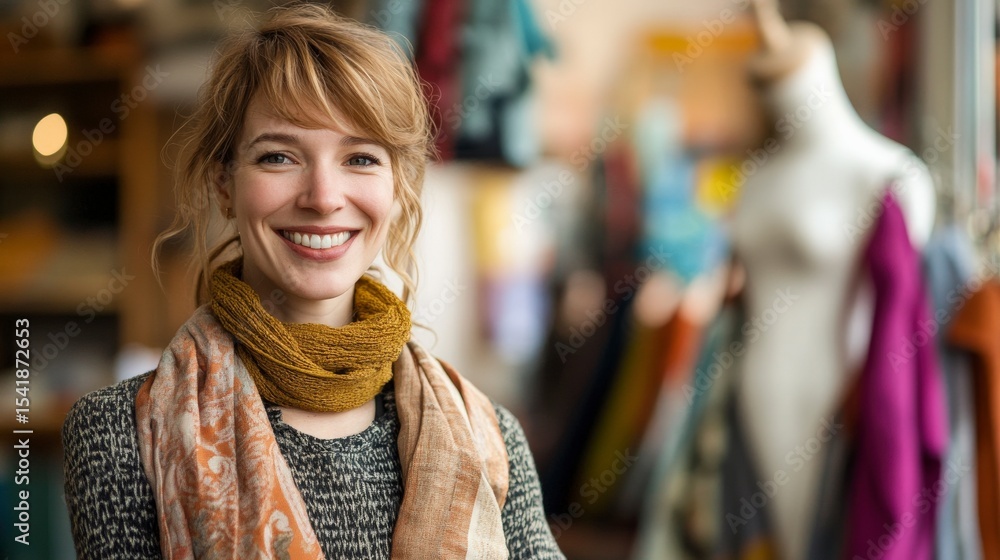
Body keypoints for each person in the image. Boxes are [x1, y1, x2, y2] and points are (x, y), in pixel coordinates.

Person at [61, 4, 565, 559]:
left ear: (398, 189)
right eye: (279, 156)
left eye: (361, 158)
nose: (323, 197)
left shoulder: (488, 437)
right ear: (224, 183)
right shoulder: (121, 435)